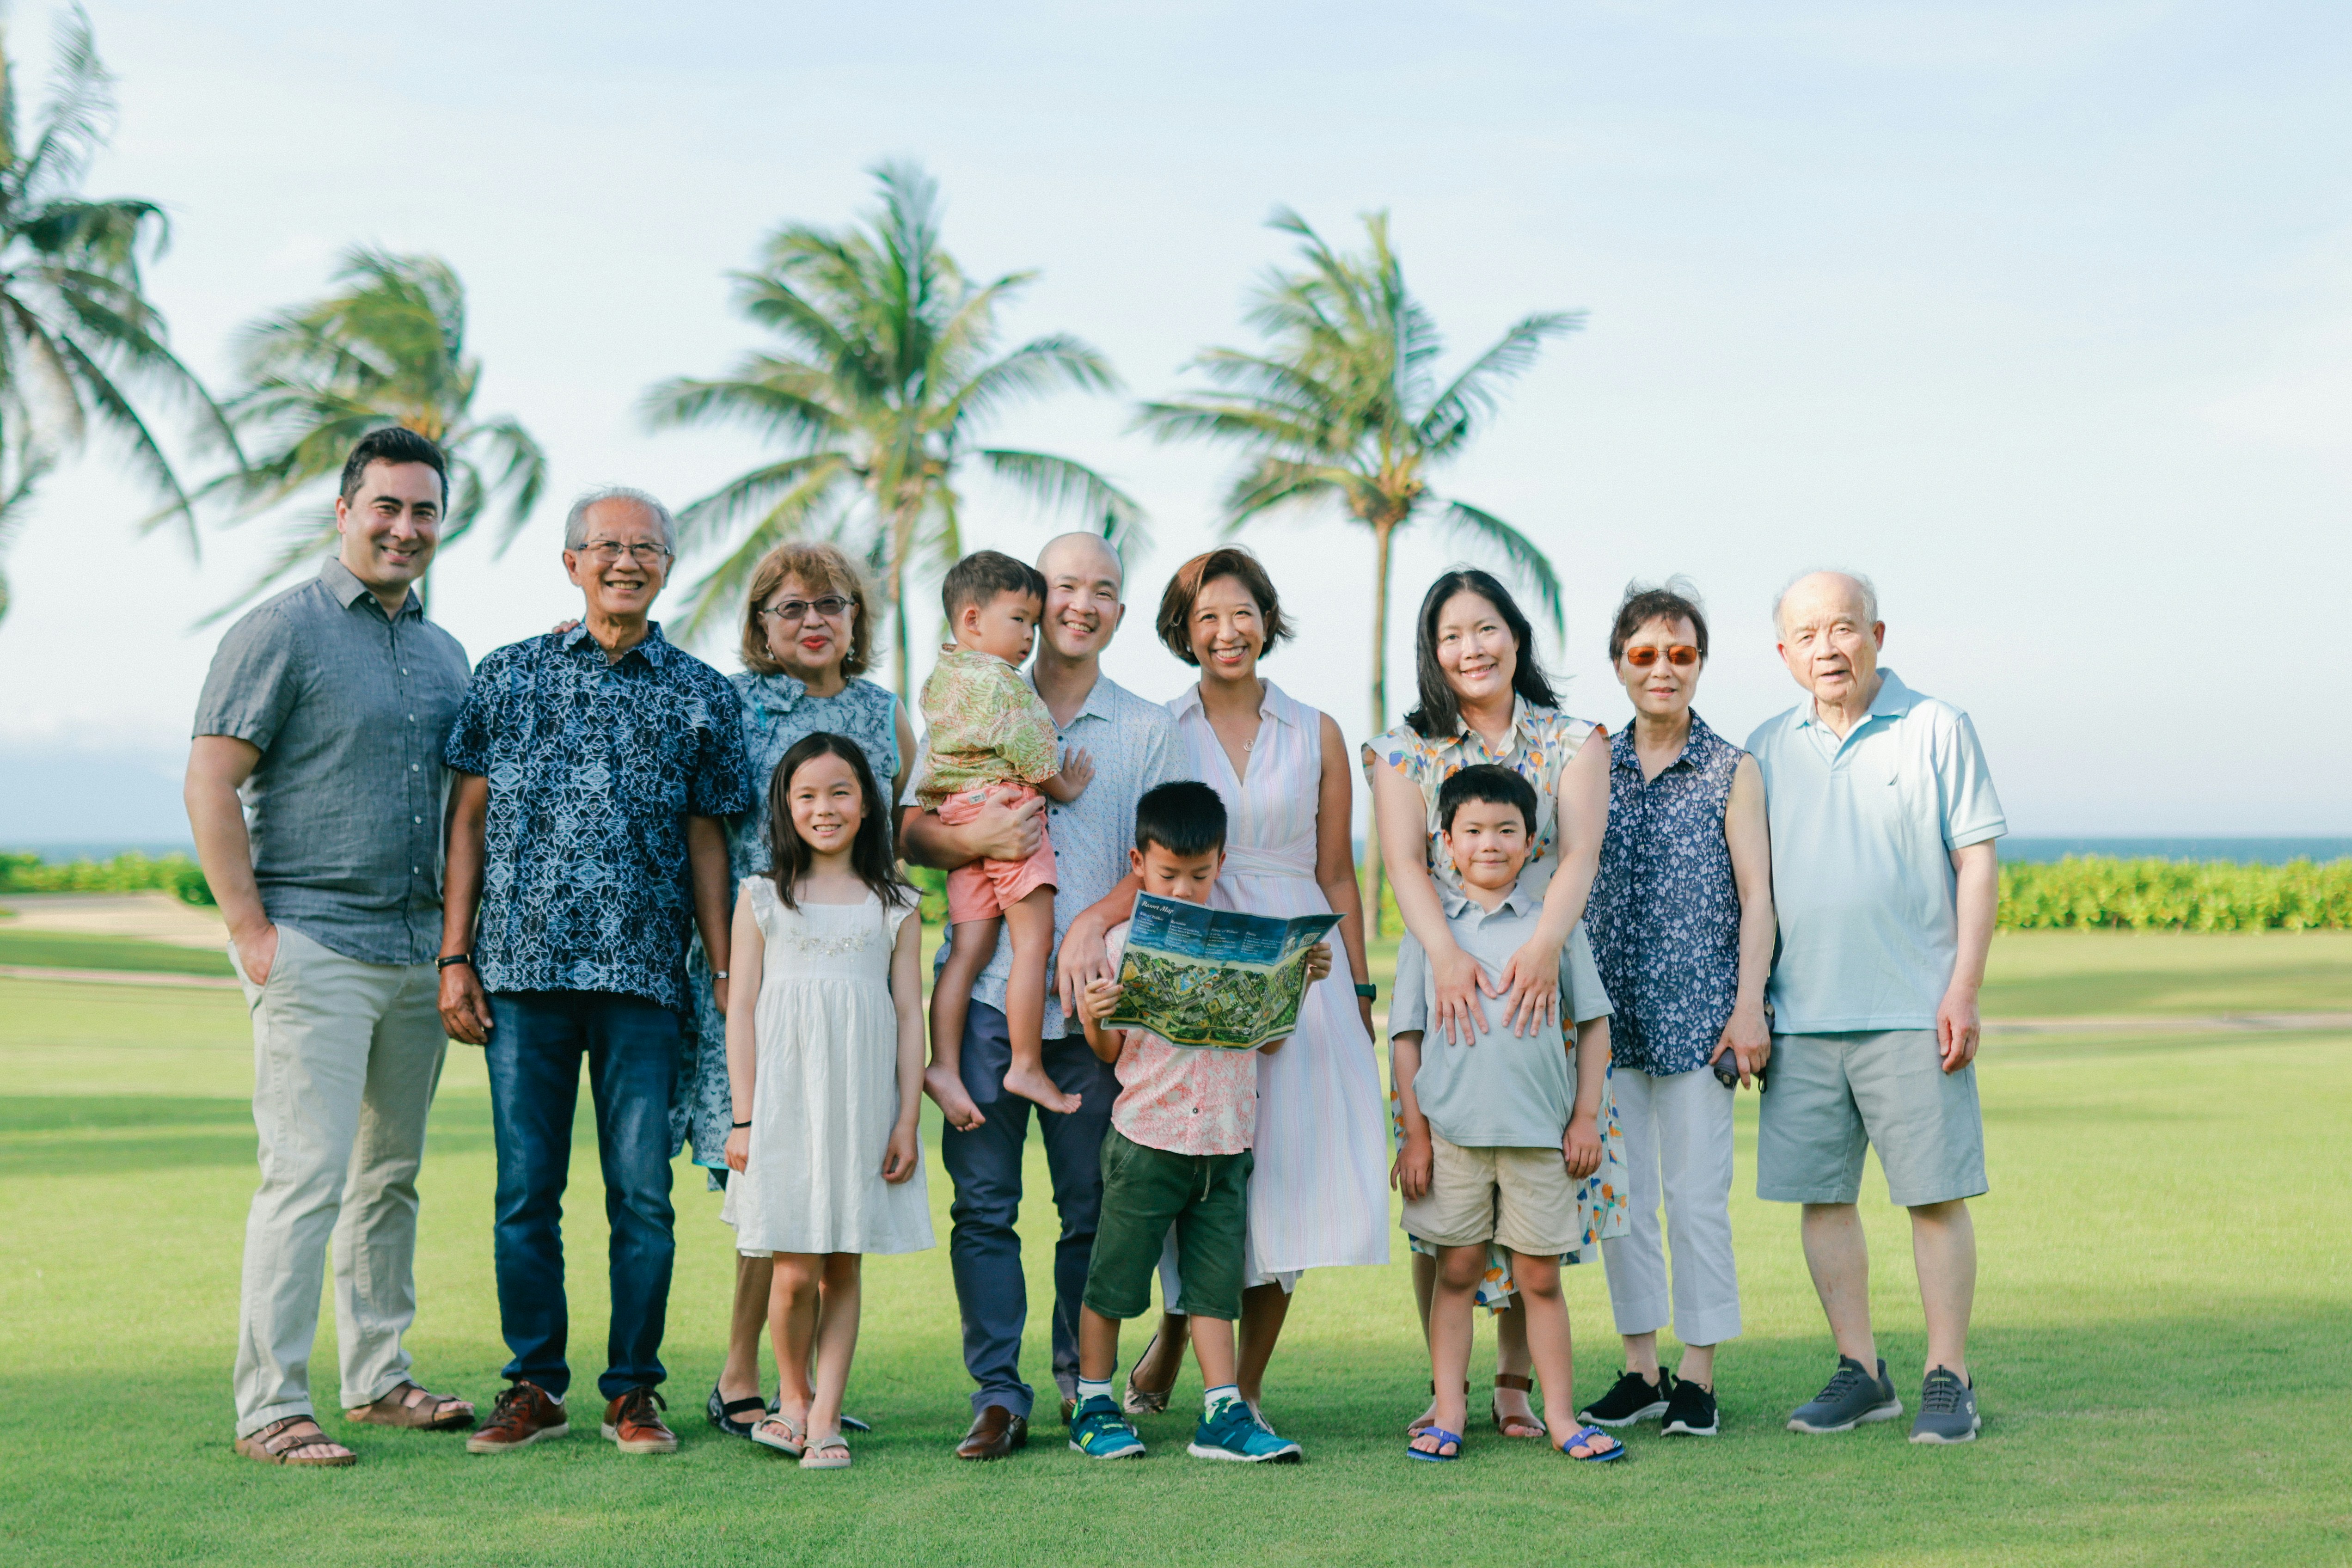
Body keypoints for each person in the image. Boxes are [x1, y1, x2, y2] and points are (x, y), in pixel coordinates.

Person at [438, 486, 752, 1458]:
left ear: (668, 566)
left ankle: (634, 1391)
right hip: (520, 974)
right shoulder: (507, 675)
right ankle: (533, 1383)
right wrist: (455, 954)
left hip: (645, 981)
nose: (626, 560)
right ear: (571, 562)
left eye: (645, 547)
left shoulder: (703, 693)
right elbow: (467, 822)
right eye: (606, 545)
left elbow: (708, 839)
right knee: (525, 1192)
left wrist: (725, 965)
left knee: (642, 1198)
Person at [188, 428, 477, 1467]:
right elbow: (211, 779)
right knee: (304, 1178)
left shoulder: (447, 654)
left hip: (414, 952)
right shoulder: (281, 630)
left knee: (388, 1178)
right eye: (386, 506)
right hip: (312, 942)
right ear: (345, 510)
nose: (405, 527)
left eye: (424, 511)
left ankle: (380, 1378)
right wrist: (250, 932)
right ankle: (271, 1405)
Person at [899, 533, 1182, 1460]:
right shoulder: (973, 696)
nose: (1080, 605)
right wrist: (972, 843)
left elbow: (1168, 863)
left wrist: (1093, 921)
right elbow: (909, 829)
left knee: (1090, 1208)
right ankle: (996, 1393)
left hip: (1095, 1009)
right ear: (1031, 598)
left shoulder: (1145, 728)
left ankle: (1078, 1381)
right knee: (983, 1208)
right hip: (985, 1001)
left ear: (1119, 612)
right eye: (1064, 586)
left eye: (1103, 590)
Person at [1116, 547, 1388, 1427]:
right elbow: (1144, 859)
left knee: (1285, 1183)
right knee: (1191, 1168)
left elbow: (1336, 872)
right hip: (1194, 961)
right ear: (1182, 631)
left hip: (1299, 970)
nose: (1226, 631)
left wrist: (1357, 991)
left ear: (1266, 619)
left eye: (1241, 612)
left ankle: (1246, 1385)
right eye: (1205, 617)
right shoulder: (1159, 728)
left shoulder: (1317, 730)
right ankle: (1172, 1333)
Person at [1360, 568, 1620, 1441]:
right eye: (1450, 635)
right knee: (1454, 1234)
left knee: (1536, 1237)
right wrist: (1443, 956)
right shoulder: (1403, 749)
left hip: (1541, 969)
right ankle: (1450, 1396)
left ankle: (1520, 1390)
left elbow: (1578, 853)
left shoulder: (1573, 739)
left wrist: (1545, 945)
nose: (1470, 648)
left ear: (1515, 634)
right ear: (1431, 651)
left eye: (1485, 628)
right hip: (1449, 974)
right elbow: (1405, 862)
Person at [1747, 570, 2003, 1446]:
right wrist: (1752, 1005)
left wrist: (1962, 987)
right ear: (1784, 653)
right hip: (1800, 1017)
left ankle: (1948, 1375)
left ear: (1877, 635)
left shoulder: (1937, 726)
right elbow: (1754, 891)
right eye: (1807, 635)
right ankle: (1860, 1372)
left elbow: (1976, 863)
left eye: (1843, 627)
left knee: (1933, 1197)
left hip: (1913, 1010)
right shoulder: (1764, 748)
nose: (1827, 648)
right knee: (1822, 1200)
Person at [680, 542, 914, 1441]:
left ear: (856, 618)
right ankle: (746, 1377)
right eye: (791, 607)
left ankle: (805, 1393)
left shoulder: (883, 712)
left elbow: (901, 826)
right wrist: (723, 961)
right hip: (760, 967)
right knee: (768, 1177)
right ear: (761, 623)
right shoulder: (730, 705)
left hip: (851, 970)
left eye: (831, 604)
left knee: (830, 1185)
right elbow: (706, 832)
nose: (813, 620)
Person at [1065, 781, 1323, 1464]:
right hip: (1146, 1140)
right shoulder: (1121, 944)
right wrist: (1093, 1015)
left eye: (1200, 875)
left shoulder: (1245, 944)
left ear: (1221, 863)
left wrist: (1296, 980)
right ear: (1139, 864)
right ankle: (1094, 1402)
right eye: (1169, 874)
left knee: (1215, 1289)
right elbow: (1110, 1053)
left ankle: (1222, 1413)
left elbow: (1270, 1044)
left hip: (1226, 1145)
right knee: (1114, 1281)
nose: (1184, 888)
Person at [1578, 580, 1774, 1440]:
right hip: (1607, 1020)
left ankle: (1697, 1375)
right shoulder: (1589, 763)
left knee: (1696, 1200)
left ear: (1700, 664)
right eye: (1645, 653)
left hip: (1702, 1022)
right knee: (1619, 1202)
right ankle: (1641, 1370)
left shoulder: (1733, 769)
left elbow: (1757, 897)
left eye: (1680, 654)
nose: (1663, 669)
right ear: (1619, 663)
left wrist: (1748, 1007)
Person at [1392, 766, 1623, 1464]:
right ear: (1446, 842)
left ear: (1531, 842)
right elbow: (1406, 1040)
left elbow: (1595, 1026)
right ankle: (1450, 1412)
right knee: (1457, 1271)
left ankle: (1561, 1417)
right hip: (1453, 1139)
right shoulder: (1429, 932)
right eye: (1472, 830)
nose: (1489, 843)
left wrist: (1585, 1118)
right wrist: (1416, 1135)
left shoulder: (1554, 928)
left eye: (1505, 830)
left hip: (1539, 1139)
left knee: (1541, 1278)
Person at [721, 734, 932, 1470]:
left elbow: (909, 1016)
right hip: (783, 1108)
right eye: (806, 795)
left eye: (840, 792)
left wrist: (907, 1120)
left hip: (860, 1108)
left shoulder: (895, 904)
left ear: (867, 802)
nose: (824, 808)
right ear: (786, 806)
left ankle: (828, 1417)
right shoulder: (763, 898)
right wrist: (744, 1118)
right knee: (790, 1271)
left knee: (843, 1266)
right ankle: (793, 1399)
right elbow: (740, 1011)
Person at [914, 550, 1093, 1120]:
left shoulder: (941, 678)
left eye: (1033, 624)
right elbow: (1033, 749)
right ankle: (1027, 1063)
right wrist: (1065, 785)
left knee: (967, 950)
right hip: (1008, 809)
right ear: (972, 619)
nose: (1029, 637)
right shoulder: (1005, 685)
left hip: (960, 814)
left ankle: (943, 1063)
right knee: (1034, 944)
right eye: (1019, 620)